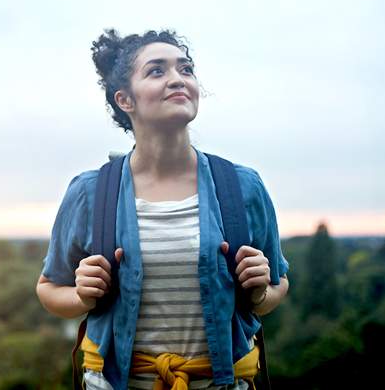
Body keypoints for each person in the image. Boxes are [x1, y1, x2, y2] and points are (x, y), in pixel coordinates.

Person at [35, 29, 290, 390]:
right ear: (125, 100)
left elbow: (277, 288)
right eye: (157, 71)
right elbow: (48, 288)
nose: (177, 79)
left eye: (185, 69)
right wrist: (79, 296)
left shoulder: (243, 187)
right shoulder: (90, 192)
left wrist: (262, 292)